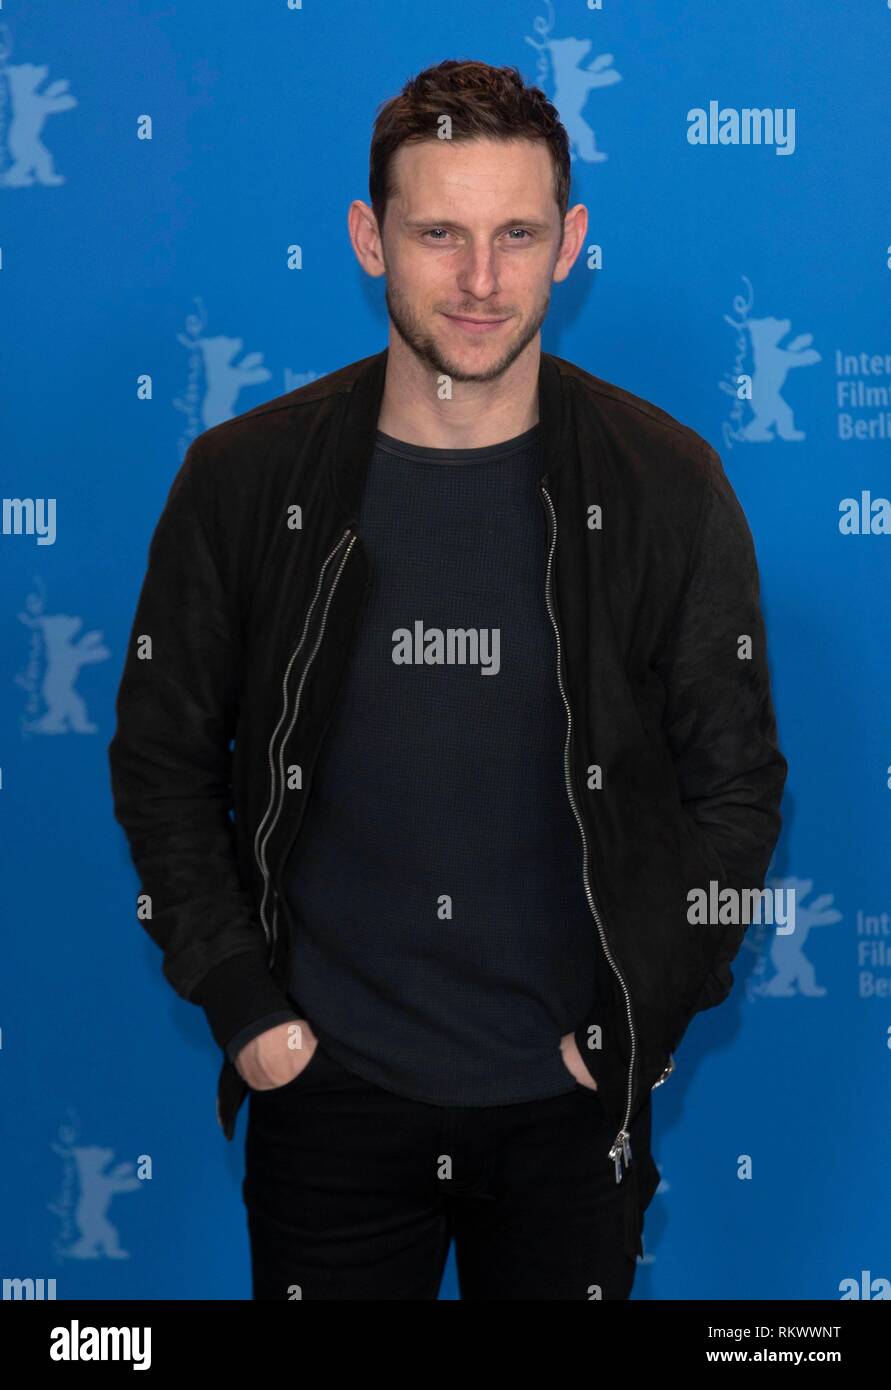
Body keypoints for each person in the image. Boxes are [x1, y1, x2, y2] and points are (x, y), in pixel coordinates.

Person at [107, 59, 787, 1300]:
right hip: (330, 1103)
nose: (481, 280)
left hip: (571, 1114)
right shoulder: (244, 481)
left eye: (516, 234)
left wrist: (645, 1016)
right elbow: (160, 760)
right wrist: (249, 1013)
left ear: (568, 244)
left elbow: (735, 796)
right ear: (370, 240)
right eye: (440, 233)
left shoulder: (666, 485)